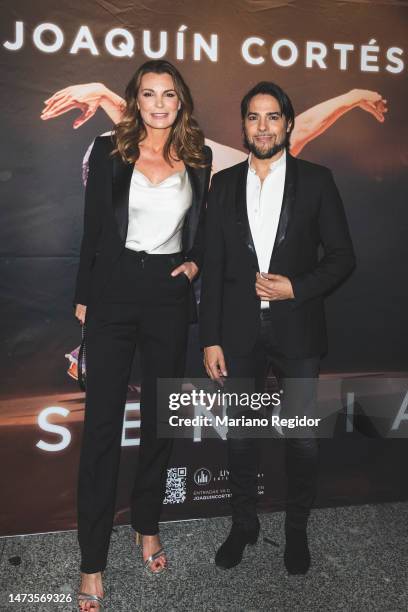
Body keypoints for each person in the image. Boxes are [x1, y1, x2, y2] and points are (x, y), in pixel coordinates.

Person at [199, 81, 356, 575]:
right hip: (239, 334)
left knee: (302, 439)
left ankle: (296, 531)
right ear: (243, 125)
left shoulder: (317, 180)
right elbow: (213, 265)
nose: (262, 126)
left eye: (272, 117)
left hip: (299, 332)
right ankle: (243, 525)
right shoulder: (222, 185)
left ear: (288, 124)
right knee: (240, 437)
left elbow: (342, 257)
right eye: (253, 117)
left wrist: (297, 287)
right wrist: (210, 337)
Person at [73, 60, 211, 610]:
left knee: (160, 418)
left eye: (168, 95)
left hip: (167, 294)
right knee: (103, 428)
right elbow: (91, 231)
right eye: (148, 94)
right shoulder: (110, 149)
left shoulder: (198, 158)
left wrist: (196, 264)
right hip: (111, 292)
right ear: (135, 101)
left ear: (181, 103)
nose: (158, 104)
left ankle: (147, 525)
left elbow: (210, 226)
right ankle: (91, 561)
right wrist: (83, 301)